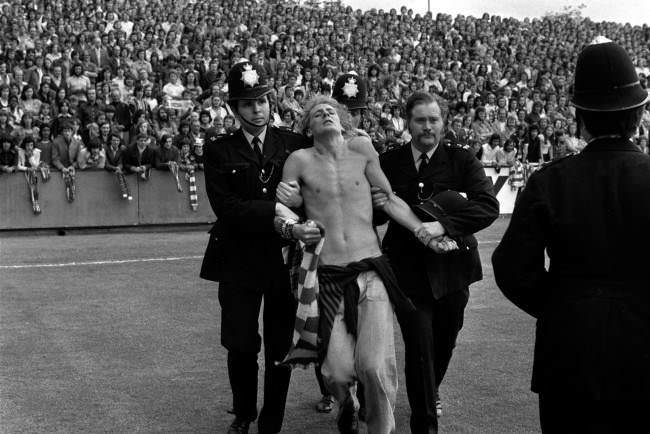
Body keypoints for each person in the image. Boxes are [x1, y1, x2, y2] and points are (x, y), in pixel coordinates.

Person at [492, 39, 650, 433]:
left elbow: (511, 267)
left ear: (579, 116)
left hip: (569, 353)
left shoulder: (550, 181)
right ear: (638, 115)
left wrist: (562, 305)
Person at [277, 95, 452, 434]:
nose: (326, 113)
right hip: (326, 277)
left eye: (331, 111)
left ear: (342, 120)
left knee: (375, 367)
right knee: (335, 373)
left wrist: (422, 231)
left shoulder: (363, 151)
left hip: (372, 272)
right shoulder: (298, 159)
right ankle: (348, 403)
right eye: (317, 113)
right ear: (308, 126)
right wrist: (291, 214)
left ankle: (379, 429)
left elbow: (387, 199)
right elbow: (284, 206)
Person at [199, 60, 317, 434]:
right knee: (241, 344)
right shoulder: (219, 150)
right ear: (235, 108)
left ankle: (272, 421)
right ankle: (244, 412)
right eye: (248, 103)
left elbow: (315, 194)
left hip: (283, 261)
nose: (258, 108)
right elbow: (227, 208)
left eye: (263, 100)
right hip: (236, 259)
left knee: (280, 347)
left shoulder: (295, 145)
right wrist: (277, 208)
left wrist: (298, 201)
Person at [374, 91, 499, 432]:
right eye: (420, 120)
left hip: (453, 271)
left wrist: (443, 224)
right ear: (408, 123)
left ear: (443, 122)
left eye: (433, 120)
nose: (427, 127)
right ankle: (425, 422)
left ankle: (430, 389)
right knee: (420, 346)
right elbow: (375, 213)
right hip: (406, 271)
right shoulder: (389, 161)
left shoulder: (462, 160)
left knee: (444, 341)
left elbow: (488, 205)